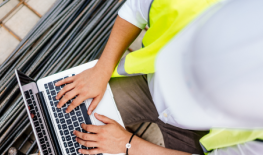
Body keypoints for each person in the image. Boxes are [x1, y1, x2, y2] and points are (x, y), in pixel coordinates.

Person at [55, 0, 263, 154]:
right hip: (150, 84)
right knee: (69, 111)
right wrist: (102, 70)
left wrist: (127, 144)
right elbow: (137, 8)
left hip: (197, 136)